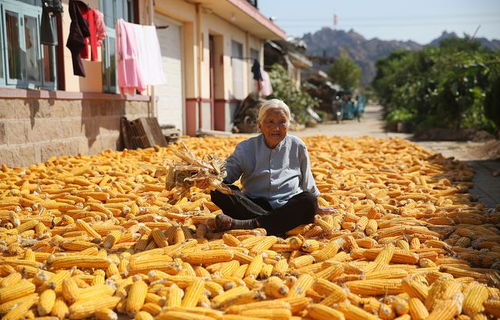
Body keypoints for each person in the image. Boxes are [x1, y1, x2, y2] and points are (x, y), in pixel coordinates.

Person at [207, 99, 322, 236]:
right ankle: (276, 225)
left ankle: (249, 224)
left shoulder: (297, 146)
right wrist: (209, 177)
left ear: (288, 124)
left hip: (288, 205)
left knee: (308, 201)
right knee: (219, 191)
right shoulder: (246, 148)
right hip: (254, 205)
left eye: (282, 122)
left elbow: (307, 180)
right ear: (259, 125)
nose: (276, 128)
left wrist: (316, 206)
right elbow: (227, 174)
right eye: (270, 122)